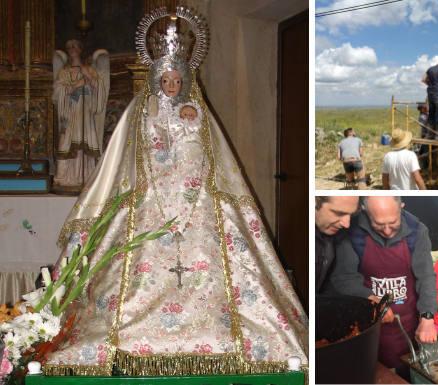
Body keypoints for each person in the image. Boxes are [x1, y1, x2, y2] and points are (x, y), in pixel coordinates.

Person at [44, 12, 307, 376]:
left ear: (185, 81)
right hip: (149, 197)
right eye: (165, 79)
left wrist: (188, 125)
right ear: (156, 78)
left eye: (176, 80)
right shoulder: (140, 109)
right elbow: (125, 157)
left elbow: (210, 155)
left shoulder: (196, 111)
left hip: (194, 196)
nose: (170, 85)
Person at [331, 196, 438, 379]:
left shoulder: (417, 232)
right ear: (364, 210)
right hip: (369, 323)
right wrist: (372, 298)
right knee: (373, 372)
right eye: (379, 224)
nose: (387, 231)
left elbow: (426, 277)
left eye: (393, 223)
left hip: (408, 323)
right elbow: (344, 279)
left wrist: (427, 317)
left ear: (401, 207)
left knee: (407, 369)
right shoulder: (352, 232)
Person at [53, 39, 110, 190]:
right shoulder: (64, 72)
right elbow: (58, 92)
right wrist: (73, 87)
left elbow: (100, 90)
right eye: (69, 47)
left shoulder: (89, 70)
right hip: (71, 113)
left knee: (85, 141)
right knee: (67, 142)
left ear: (80, 49)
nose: (72, 49)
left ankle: (86, 177)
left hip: (85, 113)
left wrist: (89, 78)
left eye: (75, 46)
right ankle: (67, 178)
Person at [315, 196, 359, 294]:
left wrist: (364, 296)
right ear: (315, 201)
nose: (346, 224)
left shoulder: (339, 235)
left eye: (351, 214)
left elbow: (341, 278)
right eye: (340, 213)